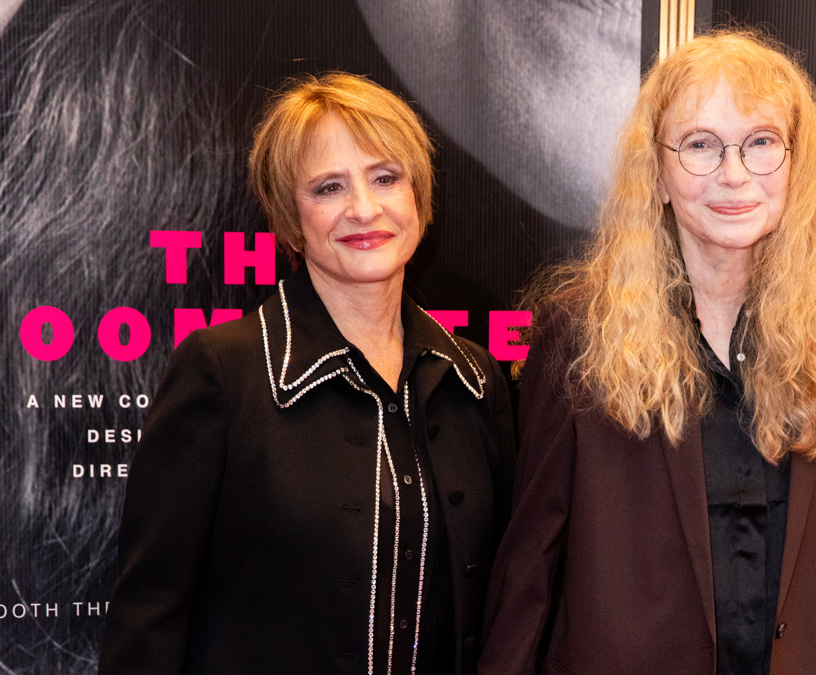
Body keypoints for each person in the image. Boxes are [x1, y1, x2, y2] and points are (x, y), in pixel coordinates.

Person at [480, 29, 816, 675]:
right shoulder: (578, 330)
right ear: (656, 171)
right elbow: (530, 559)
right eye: (701, 145)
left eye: (761, 142)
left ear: (797, 165)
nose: (734, 174)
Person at [98, 73, 515, 674]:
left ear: (418, 197)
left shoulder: (473, 379)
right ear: (291, 219)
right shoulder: (222, 372)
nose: (364, 209)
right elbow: (150, 617)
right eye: (328, 188)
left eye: (385, 178)